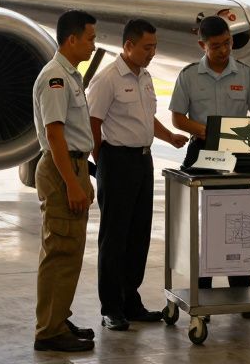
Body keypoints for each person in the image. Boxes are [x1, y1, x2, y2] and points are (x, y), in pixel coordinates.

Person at [88, 18, 189, 331]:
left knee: (138, 235)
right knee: (114, 238)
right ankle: (111, 308)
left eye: (154, 47)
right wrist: (102, 161)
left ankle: (131, 302)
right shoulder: (107, 78)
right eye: (147, 47)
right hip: (116, 161)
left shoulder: (145, 77)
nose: (152, 53)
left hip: (143, 161)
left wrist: (169, 137)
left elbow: (147, 117)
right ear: (128, 45)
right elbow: (93, 122)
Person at [169, 14, 250, 316]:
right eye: (216, 46)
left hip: (238, 153)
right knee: (207, 226)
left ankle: (242, 294)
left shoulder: (246, 74)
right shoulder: (188, 75)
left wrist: (239, 136)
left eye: (227, 43)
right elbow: (178, 118)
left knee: (240, 224)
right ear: (202, 45)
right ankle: (204, 295)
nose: (224, 50)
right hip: (204, 152)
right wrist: (207, 132)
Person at [32, 9, 99, 353]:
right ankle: (49, 331)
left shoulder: (69, 75)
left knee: (69, 251)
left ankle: (58, 318)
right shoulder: (55, 77)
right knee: (60, 250)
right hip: (63, 170)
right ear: (72, 39)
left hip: (74, 166)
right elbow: (54, 135)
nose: (93, 45)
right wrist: (72, 183)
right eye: (90, 38)